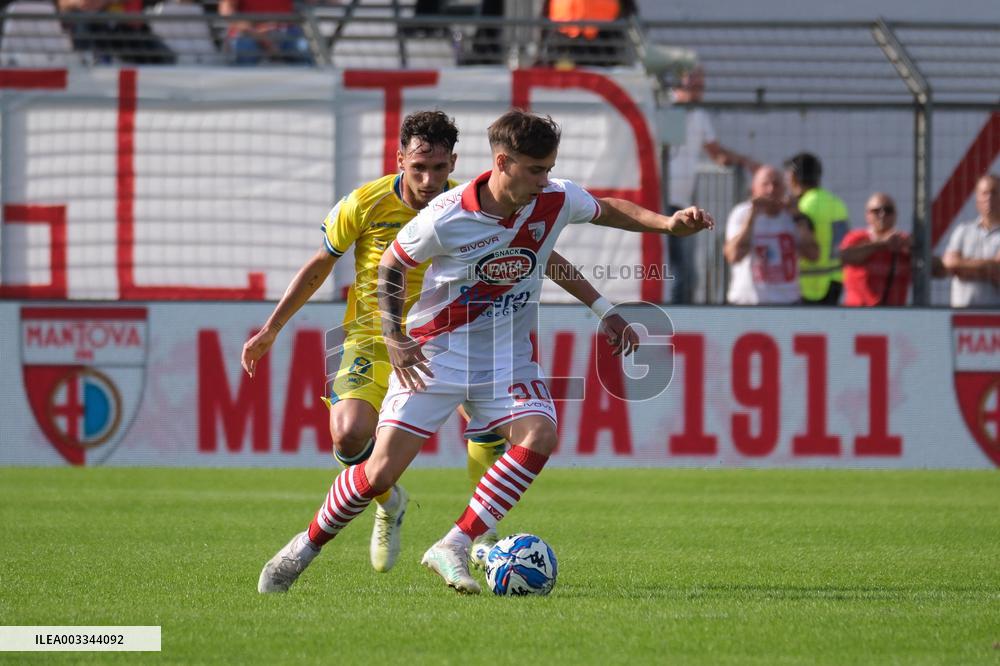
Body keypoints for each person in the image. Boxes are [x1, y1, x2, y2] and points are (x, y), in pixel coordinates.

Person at [255, 109, 714, 595]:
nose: (545, 180)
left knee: (540, 435)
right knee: (380, 471)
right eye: (535, 170)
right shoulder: (447, 215)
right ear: (502, 162)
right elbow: (391, 265)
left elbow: (606, 209)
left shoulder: (553, 198)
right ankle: (303, 548)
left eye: (549, 169)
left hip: (506, 358)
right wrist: (394, 336)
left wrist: (666, 226)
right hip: (437, 353)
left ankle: (454, 544)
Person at [668, 66, 757, 303]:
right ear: (678, 86)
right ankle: (673, 310)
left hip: (681, 201)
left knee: (685, 269)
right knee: (675, 267)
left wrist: (745, 162)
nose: (698, 93)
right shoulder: (664, 108)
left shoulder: (699, 115)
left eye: (701, 88)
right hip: (660, 198)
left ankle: (681, 310)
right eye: (693, 87)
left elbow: (716, 152)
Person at [723, 165, 818, 305]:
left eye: (776, 184)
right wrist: (752, 218)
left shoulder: (795, 216)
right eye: (765, 184)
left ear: (784, 188)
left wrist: (798, 217)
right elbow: (733, 255)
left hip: (787, 302)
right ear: (754, 189)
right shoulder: (741, 213)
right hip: (746, 302)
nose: (771, 190)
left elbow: (813, 255)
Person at [784, 152, 849, 305]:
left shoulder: (801, 206)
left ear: (793, 177)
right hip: (835, 281)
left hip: (808, 286)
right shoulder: (836, 202)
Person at [839, 193, 912, 307]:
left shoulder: (902, 242)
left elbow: (936, 270)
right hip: (858, 311)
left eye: (888, 210)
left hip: (894, 312)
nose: (882, 215)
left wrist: (915, 250)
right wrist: (882, 243)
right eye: (876, 211)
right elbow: (844, 257)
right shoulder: (857, 237)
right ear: (867, 215)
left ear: (895, 215)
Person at [942, 173, 1000, 307]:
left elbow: (998, 270)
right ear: (977, 198)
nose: (989, 198)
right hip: (962, 313)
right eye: (984, 193)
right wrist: (990, 266)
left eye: (994, 193)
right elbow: (950, 265)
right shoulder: (963, 231)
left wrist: (963, 266)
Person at [218, 0, 311, 65]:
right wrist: (261, 37)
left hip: (286, 31)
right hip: (250, 33)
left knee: (305, 52)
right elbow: (226, 12)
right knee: (247, 51)